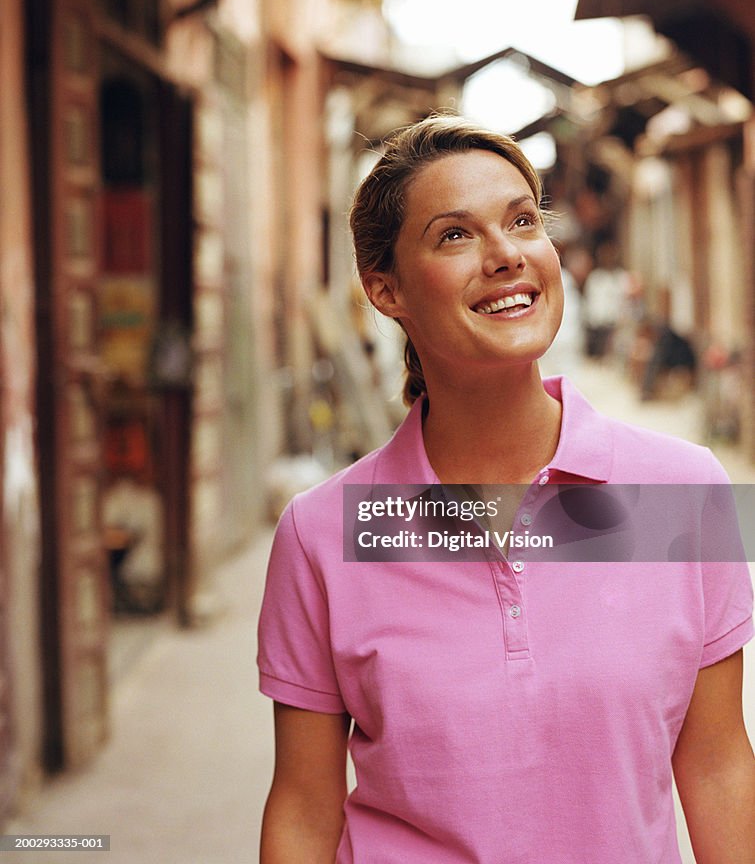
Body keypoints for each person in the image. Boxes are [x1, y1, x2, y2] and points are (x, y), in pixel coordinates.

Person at [258, 114, 754, 863]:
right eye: (454, 235)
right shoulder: (324, 533)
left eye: (522, 221)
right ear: (384, 288)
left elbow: (718, 766)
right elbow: (301, 809)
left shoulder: (682, 495)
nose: (505, 256)